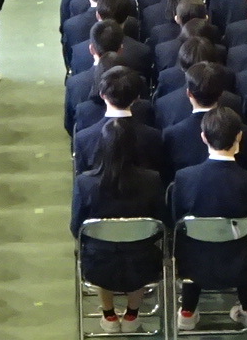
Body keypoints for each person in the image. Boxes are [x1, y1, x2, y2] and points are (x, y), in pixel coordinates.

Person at [169, 108, 247, 332]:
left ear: (203, 137)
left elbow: (177, 222)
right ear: (239, 136)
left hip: (193, 264)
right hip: (241, 264)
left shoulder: (184, 178)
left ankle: (187, 311)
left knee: (191, 236)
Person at [70, 117, 167, 333]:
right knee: (139, 250)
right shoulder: (152, 180)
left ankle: (109, 315)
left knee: (98, 249)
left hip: (98, 264)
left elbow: (76, 227)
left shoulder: (85, 183)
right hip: (143, 262)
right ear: (134, 146)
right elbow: (162, 223)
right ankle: (132, 314)